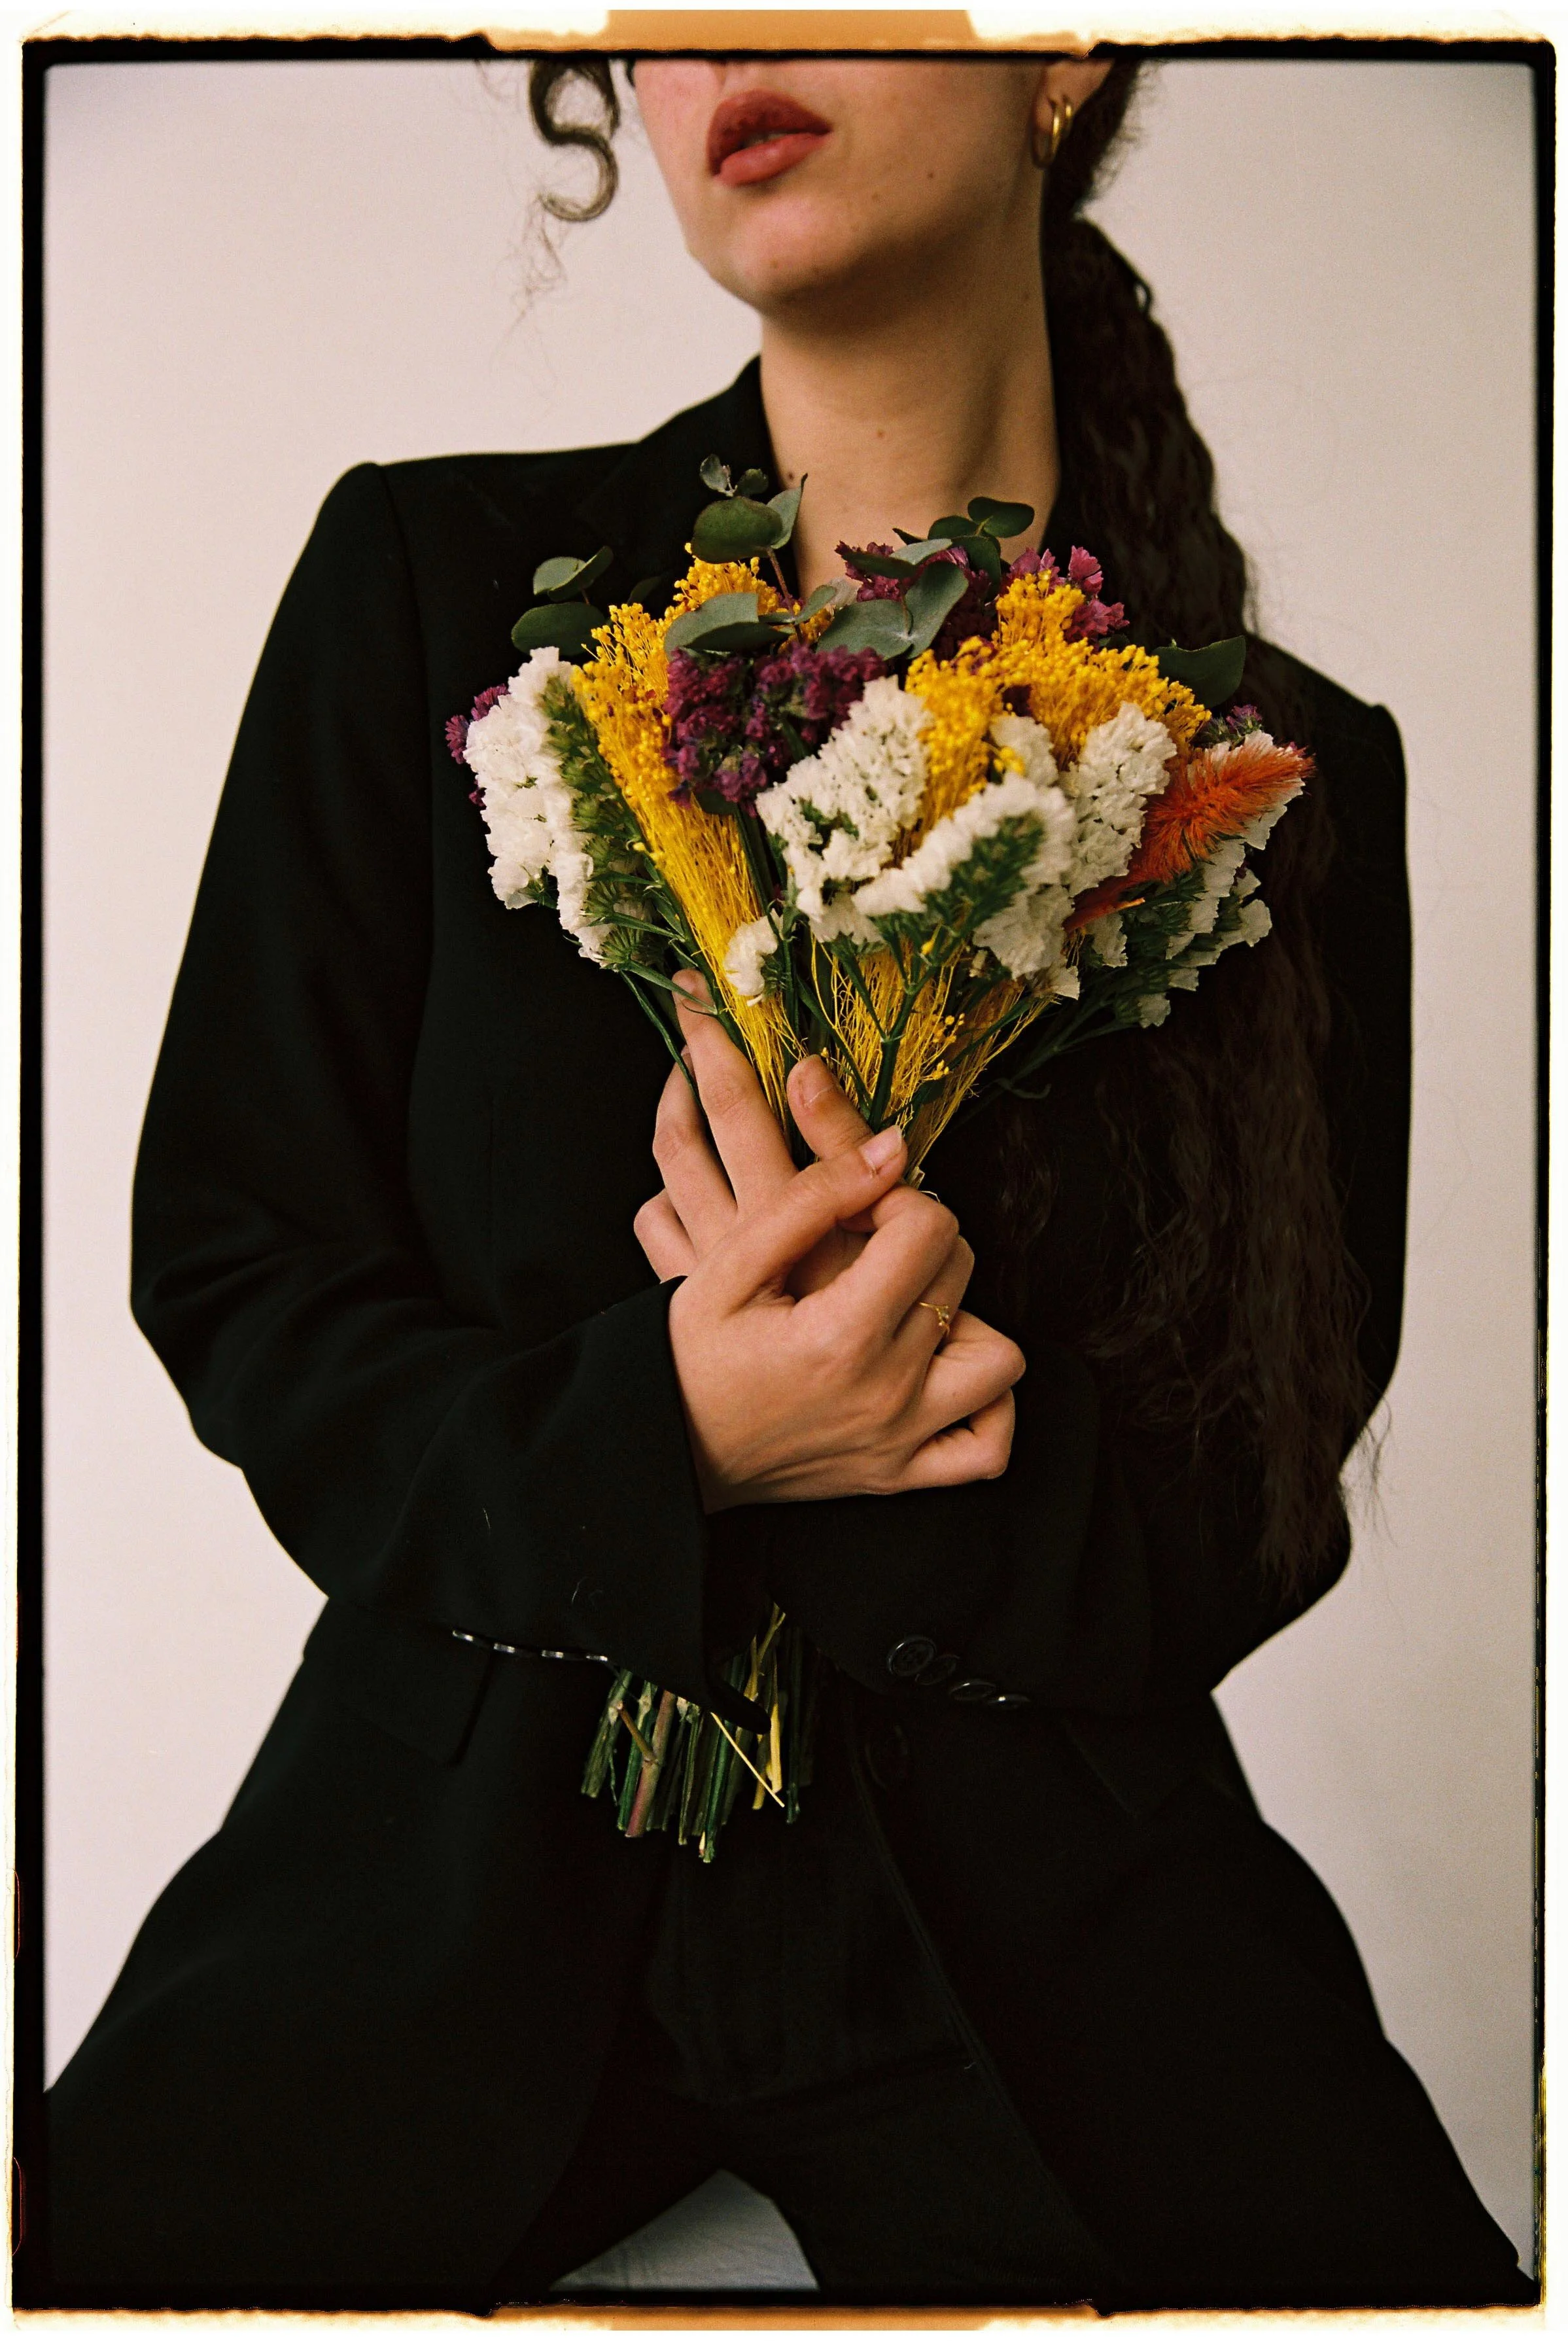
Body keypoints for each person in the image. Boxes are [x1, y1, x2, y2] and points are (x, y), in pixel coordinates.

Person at [34, 51, 1534, 2312]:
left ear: (1055, 48)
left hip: (1059, 1923)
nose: (721, 41)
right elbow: (244, 1268)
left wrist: (883, 1420)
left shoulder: (1269, 775)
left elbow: (1260, 1487)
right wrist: (671, 1444)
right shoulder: (438, 585)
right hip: (430, 1873)